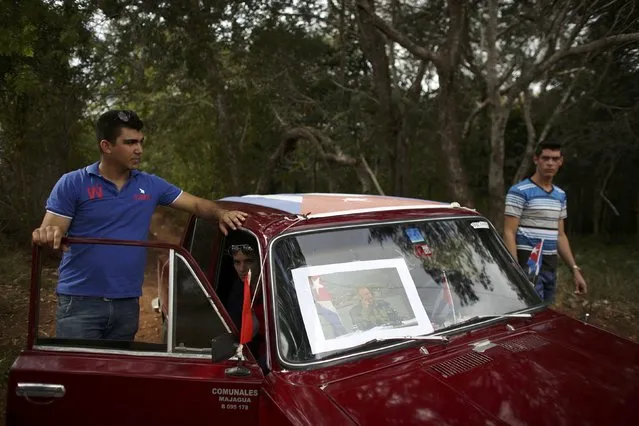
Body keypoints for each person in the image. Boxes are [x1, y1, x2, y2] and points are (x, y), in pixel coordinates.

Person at [31, 109, 248, 340]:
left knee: (118, 375)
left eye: (141, 142)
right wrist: (48, 233)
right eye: (130, 142)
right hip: (80, 303)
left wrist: (220, 213)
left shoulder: (150, 184)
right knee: (78, 374)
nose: (139, 150)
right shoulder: (73, 183)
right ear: (106, 146)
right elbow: (51, 229)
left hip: (127, 303)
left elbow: (196, 204)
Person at [504, 140, 587, 303]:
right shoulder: (519, 191)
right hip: (528, 260)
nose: (550, 163)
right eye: (546, 158)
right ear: (536, 159)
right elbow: (509, 232)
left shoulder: (560, 195)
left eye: (555, 159)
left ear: (560, 162)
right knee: (534, 310)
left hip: (550, 262)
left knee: (547, 310)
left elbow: (560, 235)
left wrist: (574, 269)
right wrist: (514, 268)